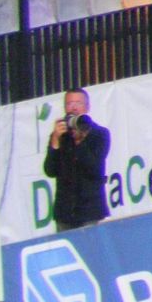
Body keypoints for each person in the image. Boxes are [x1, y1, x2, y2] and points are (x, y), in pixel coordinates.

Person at [42, 88, 111, 231]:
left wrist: (80, 143)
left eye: (78, 103)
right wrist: (55, 141)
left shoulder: (99, 134)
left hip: (89, 211)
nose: (73, 107)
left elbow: (95, 169)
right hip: (65, 213)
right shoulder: (61, 136)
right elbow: (50, 170)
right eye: (69, 104)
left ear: (87, 107)